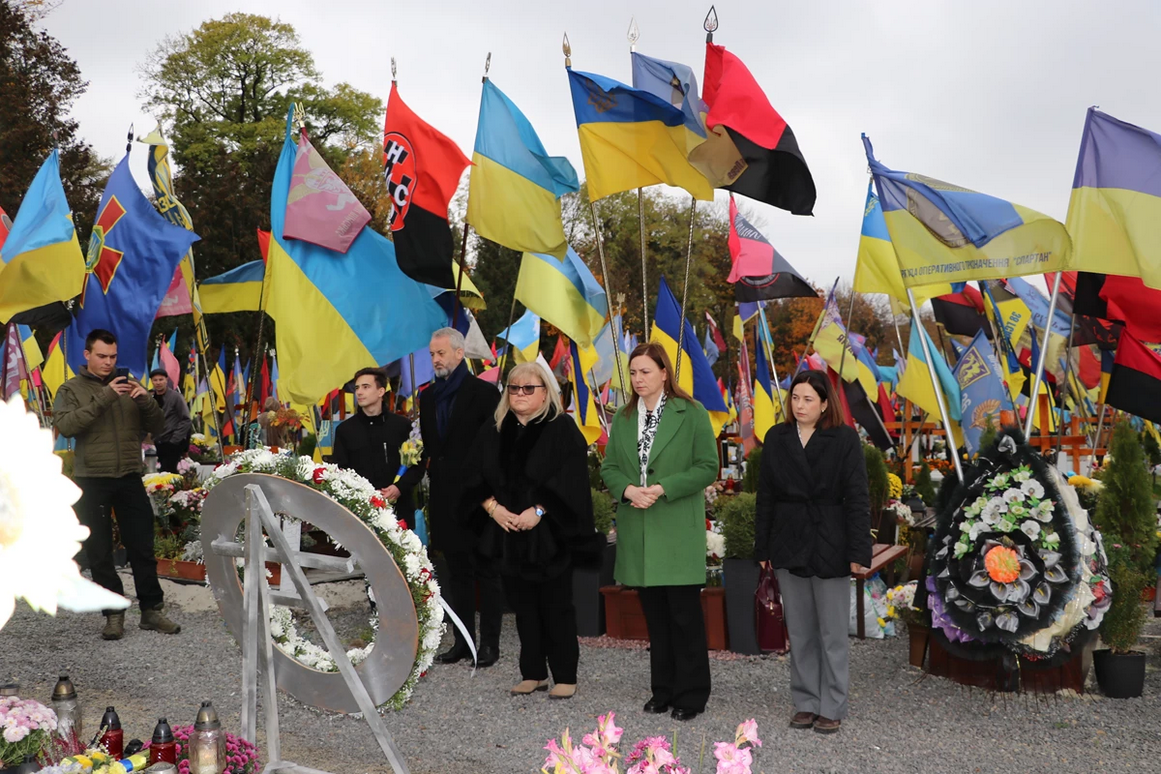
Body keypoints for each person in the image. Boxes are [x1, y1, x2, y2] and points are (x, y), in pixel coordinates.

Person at [462, 362, 600, 699]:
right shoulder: (493, 430)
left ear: (545, 392)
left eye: (528, 388)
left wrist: (540, 509)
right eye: (513, 388)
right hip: (507, 535)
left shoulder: (562, 428)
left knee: (556, 606)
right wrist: (493, 509)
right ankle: (533, 672)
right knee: (522, 607)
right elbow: (470, 476)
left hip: (550, 536)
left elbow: (573, 481)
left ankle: (565, 674)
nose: (520, 394)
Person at [600, 342, 719, 721]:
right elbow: (610, 468)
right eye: (633, 372)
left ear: (665, 373)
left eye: (645, 372)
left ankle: (692, 694)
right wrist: (627, 489)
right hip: (639, 529)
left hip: (676, 527)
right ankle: (662, 690)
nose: (637, 379)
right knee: (656, 618)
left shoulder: (693, 413)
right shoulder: (622, 417)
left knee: (684, 617)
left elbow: (707, 467)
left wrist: (664, 487)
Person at [754, 369, 871, 735]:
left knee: (832, 633)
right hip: (789, 540)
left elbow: (858, 497)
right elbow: (766, 496)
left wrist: (857, 550)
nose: (800, 405)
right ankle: (805, 701)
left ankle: (832, 704)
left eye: (808, 399)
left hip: (831, 541)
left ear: (824, 403)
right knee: (800, 631)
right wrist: (763, 546)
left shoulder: (844, 440)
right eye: (795, 398)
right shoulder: (776, 438)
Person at [53, 329, 181, 640]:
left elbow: (159, 427)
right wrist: (107, 395)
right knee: (99, 552)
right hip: (92, 479)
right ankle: (113, 614)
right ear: (87, 355)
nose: (108, 362)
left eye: (113, 356)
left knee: (142, 545)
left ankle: (151, 610)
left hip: (128, 476)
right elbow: (68, 425)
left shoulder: (131, 387)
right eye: (101, 356)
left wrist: (146, 400)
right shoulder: (70, 389)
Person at [398, 328, 503, 666]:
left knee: (485, 570)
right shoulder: (427, 398)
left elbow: (494, 447)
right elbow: (432, 449)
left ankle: (489, 644)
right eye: (432, 354)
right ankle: (463, 640)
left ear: (460, 353)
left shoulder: (485, 394)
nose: (435, 359)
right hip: (444, 498)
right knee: (456, 572)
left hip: (480, 498)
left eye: (441, 353)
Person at [332, 367, 416, 526]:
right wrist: (365, 495)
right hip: (361, 515)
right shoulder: (345, 430)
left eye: (366, 387)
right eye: (357, 388)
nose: (359, 392)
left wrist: (399, 488)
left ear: (381, 391)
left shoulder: (402, 426)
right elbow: (340, 471)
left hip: (399, 513)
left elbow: (416, 464)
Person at [150, 368, 192, 473]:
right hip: (159, 441)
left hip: (173, 441)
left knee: (168, 471)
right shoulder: (150, 398)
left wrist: (175, 440)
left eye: (161, 380)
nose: (158, 383)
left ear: (166, 380)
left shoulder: (176, 397)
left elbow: (186, 419)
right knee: (164, 472)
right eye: (155, 380)